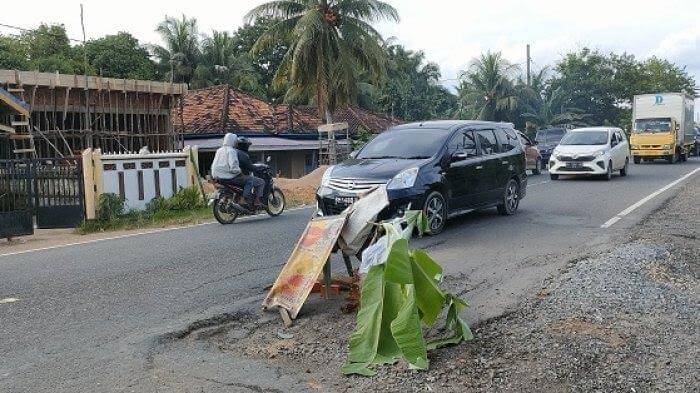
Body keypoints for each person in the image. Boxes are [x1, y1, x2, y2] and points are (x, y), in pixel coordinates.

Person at [210, 133, 264, 209]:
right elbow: (233, 166)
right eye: (235, 142)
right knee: (250, 180)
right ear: (233, 142)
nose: (236, 144)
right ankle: (244, 199)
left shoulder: (219, 150)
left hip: (217, 176)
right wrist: (239, 172)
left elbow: (214, 164)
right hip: (228, 177)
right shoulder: (232, 151)